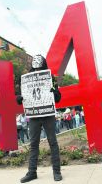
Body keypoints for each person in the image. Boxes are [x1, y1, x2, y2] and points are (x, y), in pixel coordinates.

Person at [16, 55, 63, 183]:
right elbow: (22, 96)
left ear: (43, 65)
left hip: (48, 115)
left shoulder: (50, 78)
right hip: (34, 116)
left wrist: (54, 92)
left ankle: (57, 172)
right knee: (33, 144)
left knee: (52, 142)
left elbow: (58, 98)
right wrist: (19, 98)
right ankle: (32, 172)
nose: (37, 71)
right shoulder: (26, 79)